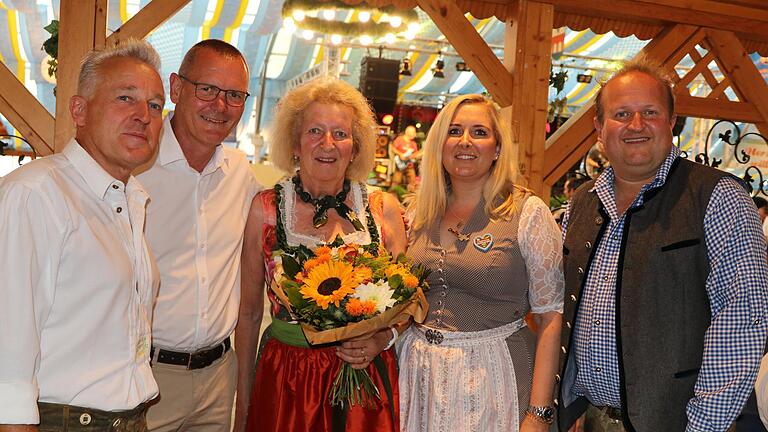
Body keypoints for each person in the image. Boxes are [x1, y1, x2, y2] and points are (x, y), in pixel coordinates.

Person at [558, 59, 768, 431]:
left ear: (671, 122)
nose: (636, 125)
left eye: (650, 112)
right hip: (588, 419)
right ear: (599, 128)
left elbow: (741, 323)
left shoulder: (718, 197)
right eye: (621, 113)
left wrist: (703, 427)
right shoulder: (582, 202)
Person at [0, 39, 164, 429]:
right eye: (126, 98)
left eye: (155, 105)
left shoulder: (126, 198)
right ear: (79, 110)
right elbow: (8, 356)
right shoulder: (36, 193)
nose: (144, 115)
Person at [234, 78, 407, 432]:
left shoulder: (382, 209)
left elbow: (406, 303)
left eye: (340, 134)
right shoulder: (266, 209)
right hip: (287, 377)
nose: (327, 144)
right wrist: (244, 399)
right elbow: (250, 313)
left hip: (363, 378)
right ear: (295, 143)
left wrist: (380, 339)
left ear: (355, 148)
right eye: (315, 130)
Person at [399, 94, 564, 432]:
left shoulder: (528, 214)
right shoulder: (418, 212)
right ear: (439, 143)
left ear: (498, 147)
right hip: (418, 373)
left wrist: (538, 414)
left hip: (492, 376)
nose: (465, 142)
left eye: (479, 132)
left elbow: (550, 317)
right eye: (454, 131)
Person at [135, 39, 260, 432]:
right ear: (176, 88)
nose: (220, 106)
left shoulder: (242, 174)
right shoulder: (135, 167)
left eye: (234, 95)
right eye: (206, 89)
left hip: (218, 380)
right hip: (147, 378)